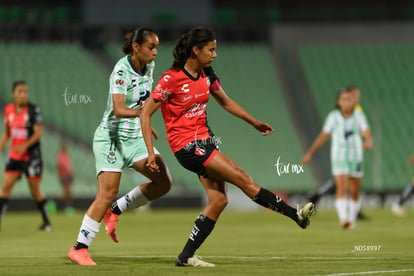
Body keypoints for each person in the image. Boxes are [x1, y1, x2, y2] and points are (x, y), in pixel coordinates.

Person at [140, 26, 315, 268]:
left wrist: (253, 122)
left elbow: (225, 101)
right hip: (187, 146)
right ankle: (295, 215)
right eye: (210, 50)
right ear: (195, 50)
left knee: (219, 200)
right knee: (243, 178)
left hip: (205, 141)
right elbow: (146, 113)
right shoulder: (172, 78)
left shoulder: (206, 73)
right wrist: (150, 152)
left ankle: (185, 256)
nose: (214, 54)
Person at [67, 28, 173, 266]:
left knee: (163, 181)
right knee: (106, 192)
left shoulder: (149, 67)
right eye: (151, 47)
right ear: (137, 47)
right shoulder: (121, 71)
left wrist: (147, 131)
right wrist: (141, 114)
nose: (156, 52)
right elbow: (119, 109)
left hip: (134, 137)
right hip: (112, 138)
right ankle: (78, 248)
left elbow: (145, 105)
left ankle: (115, 210)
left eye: (156, 47)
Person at [302, 88, 372, 229]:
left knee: (354, 190)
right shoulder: (333, 117)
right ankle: (344, 219)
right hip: (339, 157)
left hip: (356, 157)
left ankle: (351, 219)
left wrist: (368, 140)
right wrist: (310, 153)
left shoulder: (359, 116)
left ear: (353, 102)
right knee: (341, 187)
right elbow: (323, 136)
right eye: (343, 99)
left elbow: (366, 132)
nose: (346, 102)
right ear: (338, 102)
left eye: (349, 99)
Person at [0, 80, 52, 231]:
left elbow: (37, 134)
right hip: (14, 156)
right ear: (13, 94)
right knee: (5, 186)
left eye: (25, 91)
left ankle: (46, 221)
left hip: (31, 157)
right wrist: (2, 146)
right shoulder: (8, 110)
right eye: (20, 91)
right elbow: (8, 133)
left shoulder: (33, 110)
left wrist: (24, 146)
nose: (23, 95)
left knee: (35, 190)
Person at [56, 142, 75, 214]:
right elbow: (60, 166)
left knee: (67, 192)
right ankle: (68, 207)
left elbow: (70, 167)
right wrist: (68, 172)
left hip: (67, 175)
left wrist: (71, 174)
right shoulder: (60, 156)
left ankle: (59, 205)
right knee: (67, 191)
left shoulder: (67, 156)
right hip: (64, 175)